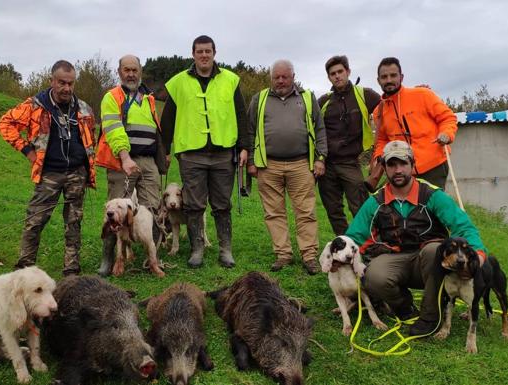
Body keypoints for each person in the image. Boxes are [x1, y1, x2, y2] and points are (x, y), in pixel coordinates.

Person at [346, 140, 487, 336]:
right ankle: (405, 308)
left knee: (433, 250)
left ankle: (431, 316)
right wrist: (338, 263)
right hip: (395, 258)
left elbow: (463, 227)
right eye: (392, 164)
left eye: (403, 163)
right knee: (374, 275)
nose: (398, 170)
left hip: (432, 263)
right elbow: (353, 237)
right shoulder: (375, 202)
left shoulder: (432, 195)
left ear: (413, 165)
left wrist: (478, 256)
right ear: (384, 168)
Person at [0, 60, 96, 276]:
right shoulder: (35, 105)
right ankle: (24, 267)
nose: (66, 88)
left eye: (71, 84)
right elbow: (5, 124)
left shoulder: (84, 109)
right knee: (35, 220)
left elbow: (91, 137)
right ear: (52, 80)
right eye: (61, 83)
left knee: (74, 222)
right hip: (49, 172)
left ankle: (71, 269)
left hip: (77, 173)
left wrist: (86, 163)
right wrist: (28, 151)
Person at [161, 35, 248, 269]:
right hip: (191, 154)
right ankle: (197, 249)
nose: (204, 55)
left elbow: (241, 115)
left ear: (214, 53)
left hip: (223, 153)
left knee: (222, 204)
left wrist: (244, 147)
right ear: (193, 54)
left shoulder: (230, 80)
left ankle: (225, 249)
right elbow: (167, 119)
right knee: (193, 205)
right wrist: (165, 150)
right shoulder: (178, 82)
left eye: (208, 51)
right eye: (199, 51)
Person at [246, 60, 327, 274]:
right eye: (276, 77)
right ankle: (283, 254)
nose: (280, 81)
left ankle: (309, 256)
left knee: (306, 211)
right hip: (268, 165)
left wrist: (320, 158)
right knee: (273, 212)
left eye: (285, 76)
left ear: (293, 76)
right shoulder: (259, 99)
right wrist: (253, 161)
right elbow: (250, 131)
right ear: (271, 78)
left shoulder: (308, 98)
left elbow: (320, 129)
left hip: (301, 163)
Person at [95, 54, 166, 276]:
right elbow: (114, 130)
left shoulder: (149, 99)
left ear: (140, 72)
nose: (131, 74)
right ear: (119, 72)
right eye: (127, 70)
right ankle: (109, 260)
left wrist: (160, 159)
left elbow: (154, 132)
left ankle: (152, 257)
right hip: (121, 159)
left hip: (147, 161)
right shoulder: (112, 97)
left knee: (152, 209)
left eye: (135, 70)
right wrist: (125, 158)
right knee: (114, 210)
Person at [318, 55, 381, 235]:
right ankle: (345, 243)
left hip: (351, 162)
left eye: (340, 72)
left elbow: (390, 103)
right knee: (333, 210)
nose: (337, 76)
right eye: (332, 74)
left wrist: (417, 92)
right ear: (329, 77)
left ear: (348, 72)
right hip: (327, 164)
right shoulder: (323, 101)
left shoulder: (365, 95)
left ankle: (369, 244)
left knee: (361, 207)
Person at [372, 57, 458, 189]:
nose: (389, 80)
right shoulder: (379, 111)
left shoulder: (423, 94)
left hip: (433, 166)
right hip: (401, 170)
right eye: (384, 77)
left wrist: (446, 134)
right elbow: (382, 139)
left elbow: (447, 118)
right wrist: (379, 157)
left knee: (430, 207)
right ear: (378, 81)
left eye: (393, 75)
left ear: (401, 77)